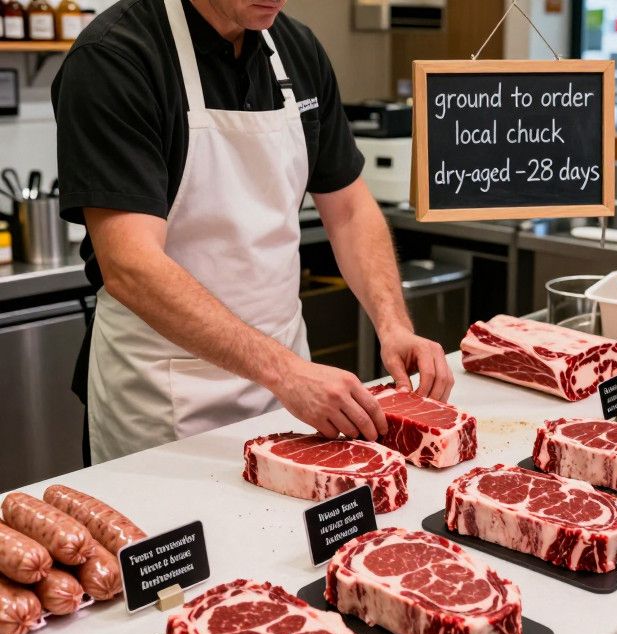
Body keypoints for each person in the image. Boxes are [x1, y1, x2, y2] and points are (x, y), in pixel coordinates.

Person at [52, 0, 453, 464]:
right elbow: (130, 265)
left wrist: (393, 325)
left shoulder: (297, 48)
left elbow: (347, 208)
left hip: (292, 391)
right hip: (164, 396)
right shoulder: (115, 57)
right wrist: (285, 374)